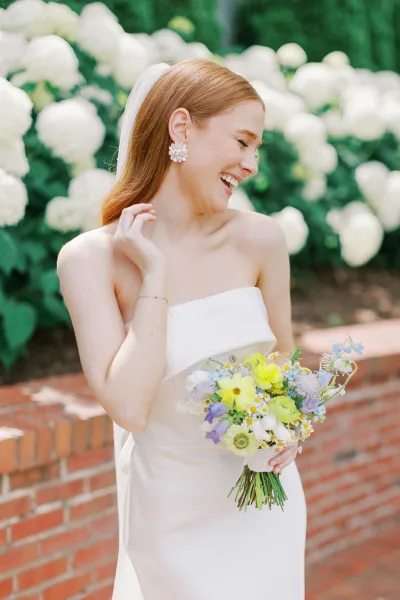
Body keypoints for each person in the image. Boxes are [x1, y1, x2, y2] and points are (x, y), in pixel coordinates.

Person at [57, 59, 307, 600]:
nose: (251, 163)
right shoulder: (89, 260)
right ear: (181, 128)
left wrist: (289, 427)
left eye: (257, 147)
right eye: (242, 141)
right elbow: (128, 407)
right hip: (168, 511)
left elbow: (283, 354)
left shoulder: (261, 240)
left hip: (262, 498)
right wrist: (154, 277)